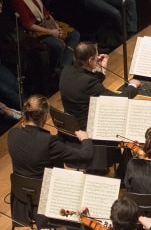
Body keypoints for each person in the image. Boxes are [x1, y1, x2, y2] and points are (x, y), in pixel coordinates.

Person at [8, 94, 94, 227]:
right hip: (45, 200)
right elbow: (85, 156)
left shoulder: (12, 135)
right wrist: (85, 139)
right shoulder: (48, 142)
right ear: (44, 115)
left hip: (21, 198)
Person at [12, 0, 80, 72]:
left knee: (75, 35)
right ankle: (61, 69)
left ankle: (63, 67)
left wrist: (56, 26)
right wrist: (51, 32)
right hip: (35, 29)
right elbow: (27, 24)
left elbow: (45, 12)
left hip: (46, 23)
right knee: (58, 45)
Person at [59, 42, 140, 129]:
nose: (98, 58)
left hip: (70, 124)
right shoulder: (88, 82)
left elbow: (88, 87)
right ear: (90, 60)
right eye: (96, 56)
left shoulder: (66, 70)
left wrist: (101, 70)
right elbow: (119, 100)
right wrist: (133, 86)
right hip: (84, 127)